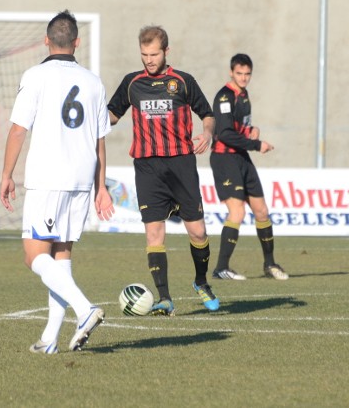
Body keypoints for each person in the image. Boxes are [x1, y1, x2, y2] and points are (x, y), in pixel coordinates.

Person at [1, 10, 113, 354]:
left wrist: (6, 175)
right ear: (77, 42)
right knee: (60, 253)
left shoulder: (35, 76)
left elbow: (19, 129)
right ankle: (50, 338)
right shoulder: (94, 81)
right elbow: (99, 140)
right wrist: (101, 186)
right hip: (81, 177)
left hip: (48, 177)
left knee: (34, 255)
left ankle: (84, 309)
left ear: (46, 41)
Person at [107, 25, 219, 316]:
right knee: (154, 235)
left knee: (197, 231)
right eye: (144, 54)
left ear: (166, 51)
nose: (149, 59)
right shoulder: (132, 83)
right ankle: (165, 298)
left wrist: (207, 134)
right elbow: (111, 116)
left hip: (181, 164)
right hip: (147, 167)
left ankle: (201, 281)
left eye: (154, 54)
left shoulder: (182, 81)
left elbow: (207, 113)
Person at [210, 53, 288, 281]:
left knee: (262, 211)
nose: (243, 78)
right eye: (239, 73)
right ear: (231, 72)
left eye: (247, 74)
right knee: (237, 212)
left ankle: (270, 264)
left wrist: (251, 130)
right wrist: (256, 144)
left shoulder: (243, 95)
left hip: (241, 157)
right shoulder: (225, 97)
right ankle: (221, 268)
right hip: (225, 159)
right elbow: (224, 134)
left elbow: (238, 129)